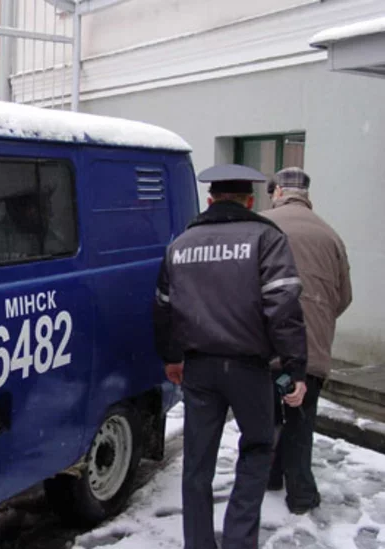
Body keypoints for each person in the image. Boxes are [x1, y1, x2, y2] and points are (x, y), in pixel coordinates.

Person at [153, 163, 308, 549]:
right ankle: (239, 540)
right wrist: (294, 367)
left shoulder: (180, 244)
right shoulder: (266, 238)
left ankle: (199, 543)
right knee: (257, 449)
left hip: (198, 368)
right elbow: (283, 307)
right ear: (250, 201)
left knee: (197, 464)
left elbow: (163, 307)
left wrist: (171, 357)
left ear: (210, 201)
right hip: (249, 369)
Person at [261, 167, 353, 514]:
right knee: (300, 421)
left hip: (266, 342)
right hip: (310, 347)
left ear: (278, 192)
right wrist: (318, 320)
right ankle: (300, 496)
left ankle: (270, 477)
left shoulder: (260, 225)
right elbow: (343, 297)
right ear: (306, 194)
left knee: (267, 417)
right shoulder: (330, 235)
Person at [0, 187, 67, 266]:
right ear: (23, 210)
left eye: (47, 210)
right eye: (43, 209)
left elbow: (62, 259)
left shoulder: (48, 237)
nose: (49, 215)